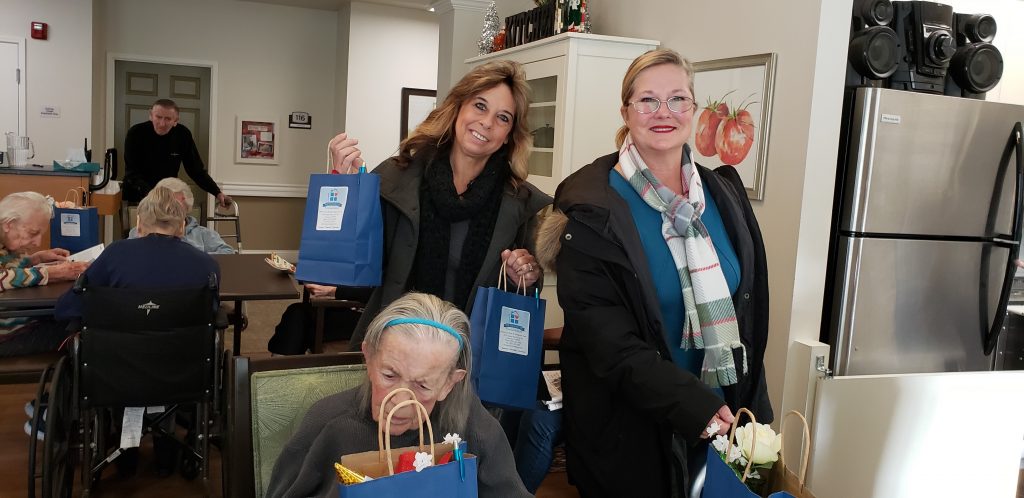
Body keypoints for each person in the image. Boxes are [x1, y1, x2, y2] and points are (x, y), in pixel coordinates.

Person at [535, 49, 773, 497]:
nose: (664, 113)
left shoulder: (722, 195)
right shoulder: (592, 210)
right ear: (625, 110)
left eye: (677, 99)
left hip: (720, 420)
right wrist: (692, 406)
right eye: (647, 100)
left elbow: (749, 308)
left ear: (694, 109)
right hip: (632, 433)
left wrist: (751, 406)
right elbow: (609, 345)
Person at [323, 59, 551, 348]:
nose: (487, 122)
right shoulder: (395, 177)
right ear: (458, 107)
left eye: (503, 117)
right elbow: (354, 260)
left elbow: (524, 294)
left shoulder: (522, 204)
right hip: (394, 346)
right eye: (480, 106)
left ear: (509, 136)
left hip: (471, 357)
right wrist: (342, 186)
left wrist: (526, 277)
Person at [266, 292, 531, 497]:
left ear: (449, 384)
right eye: (390, 376)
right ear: (369, 358)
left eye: (423, 386)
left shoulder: (470, 423)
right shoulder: (327, 422)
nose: (400, 400)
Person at [56, 185, 220, 477]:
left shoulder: (115, 255)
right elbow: (211, 315)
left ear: (139, 224)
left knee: (115, 349)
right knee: (172, 350)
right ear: (182, 225)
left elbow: (69, 307)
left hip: (117, 372)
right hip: (182, 371)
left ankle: (124, 449)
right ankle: (166, 447)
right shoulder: (206, 265)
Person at [0, 191, 89, 358]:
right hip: (7, 336)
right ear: (9, 224)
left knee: (74, 317)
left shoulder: (5, 239)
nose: (38, 242)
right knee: (84, 332)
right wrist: (48, 273)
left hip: (18, 323)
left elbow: (7, 269)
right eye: (33, 233)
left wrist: (35, 259)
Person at [123, 98, 233, 208]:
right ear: (151, 115)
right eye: (158, 117)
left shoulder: (183, 135)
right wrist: (153, 195)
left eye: (168, 119)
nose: (162, 123)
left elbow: (196, 170)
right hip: (137, 196)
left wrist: (217, 193)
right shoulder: (136, 133)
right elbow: (132, 172)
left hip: (167, 196)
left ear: (175, 121)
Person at [128, 177, 235, 254]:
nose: (168, 208)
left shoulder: (203, 234)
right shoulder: (138, 231)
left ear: (187, 206)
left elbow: (228, 253)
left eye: (174, 203)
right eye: (162, 202)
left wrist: (198, 259)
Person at [267, 283, 370, 355]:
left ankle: (280, 375)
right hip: (346, 304)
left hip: (367, 317)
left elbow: (378, 292)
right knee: (296, 313)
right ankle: (278, 372)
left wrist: (333, 291)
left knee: (297, 321)